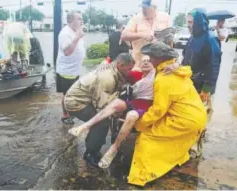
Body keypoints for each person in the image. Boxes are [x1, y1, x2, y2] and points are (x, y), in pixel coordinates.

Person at [127, 41, 207, 187]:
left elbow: (158, 110)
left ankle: (141, 176)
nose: (149, 59)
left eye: (152, 56)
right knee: (169, 136)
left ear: (160, 59)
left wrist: (140, 124)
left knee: (147, 136)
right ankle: (177, 159)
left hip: (185, 120)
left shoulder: (163, 79)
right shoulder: (178, 70)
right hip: (198, 115)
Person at [68, 56, 155, 168]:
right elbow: (101, 102)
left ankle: (105, 145)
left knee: (110, 116)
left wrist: (174, 65)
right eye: (144, 61)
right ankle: (91, 153)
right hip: (78, 102)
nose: (147, 63)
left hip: (144, 106)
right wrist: (106, 62)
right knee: (102, 123)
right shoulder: (122, 75)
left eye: (150, 61)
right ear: (121, 65)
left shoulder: (157, 75)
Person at [182, 8, 222, 104]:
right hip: (190, 82)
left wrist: (207, 89)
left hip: (202, 86)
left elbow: (214, 65)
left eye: (191, 22)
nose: (188, 25)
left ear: (199, 22)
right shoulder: (193, 37)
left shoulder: (211, 39)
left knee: (201, 113)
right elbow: (185, 57)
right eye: (187, 22)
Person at [121, 0, 171, 67]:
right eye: (142, 8)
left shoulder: (165, 17)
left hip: (159, 63)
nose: (143, 10)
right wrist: (142, 35)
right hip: (139, 62)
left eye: (146, 8)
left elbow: (170, 40)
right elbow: (123, 36)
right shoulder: (136, 18)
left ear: (154, 8)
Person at [56, 10, 85, 125]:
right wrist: (77, 37)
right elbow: (67, 52)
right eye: (79, 19)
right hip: (66, 71)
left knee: (73, 93)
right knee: (66, 94)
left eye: (82, 19)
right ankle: (65, 115)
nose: (81, 21)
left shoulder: (76, 31)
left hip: (75, 70)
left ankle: (70, 112)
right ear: (70, 21)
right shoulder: (65, 33)